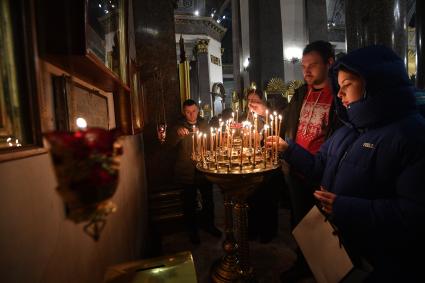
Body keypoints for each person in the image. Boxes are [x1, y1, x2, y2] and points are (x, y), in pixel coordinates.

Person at [270, 45, 425, 281]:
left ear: (374, 84)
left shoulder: (410, 136)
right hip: (342, 246)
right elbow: (319, 166)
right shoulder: (348, 130)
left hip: (378, 260)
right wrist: (288, 149)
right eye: (339, 87)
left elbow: (413, 214)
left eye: (347, 86)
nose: (340, 95)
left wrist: (344, 207)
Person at [168, 99, 222, 244]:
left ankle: (209, 225)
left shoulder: (204, 124)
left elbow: (212, 143)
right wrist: (178, 134)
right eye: (188, 112)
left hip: (203, 169)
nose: (191, 115)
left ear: (198, 111)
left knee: (208, 200)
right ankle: (192, 232)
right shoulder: (177, 126)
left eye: (194, 111)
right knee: (189, 203)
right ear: (183, 112)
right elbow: (169, 144)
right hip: (186, 171)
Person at [244, 89, 284, 243]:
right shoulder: (246, 117)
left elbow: (279, 135)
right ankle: (253, 230)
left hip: (270, 166)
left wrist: (262, 138)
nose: (252, 104)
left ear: (263, 102)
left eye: (256, 101)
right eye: (249, 101)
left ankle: (268, 233)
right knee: (252, 200)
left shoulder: (272, 117)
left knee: (268, 201)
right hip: (253, 165)